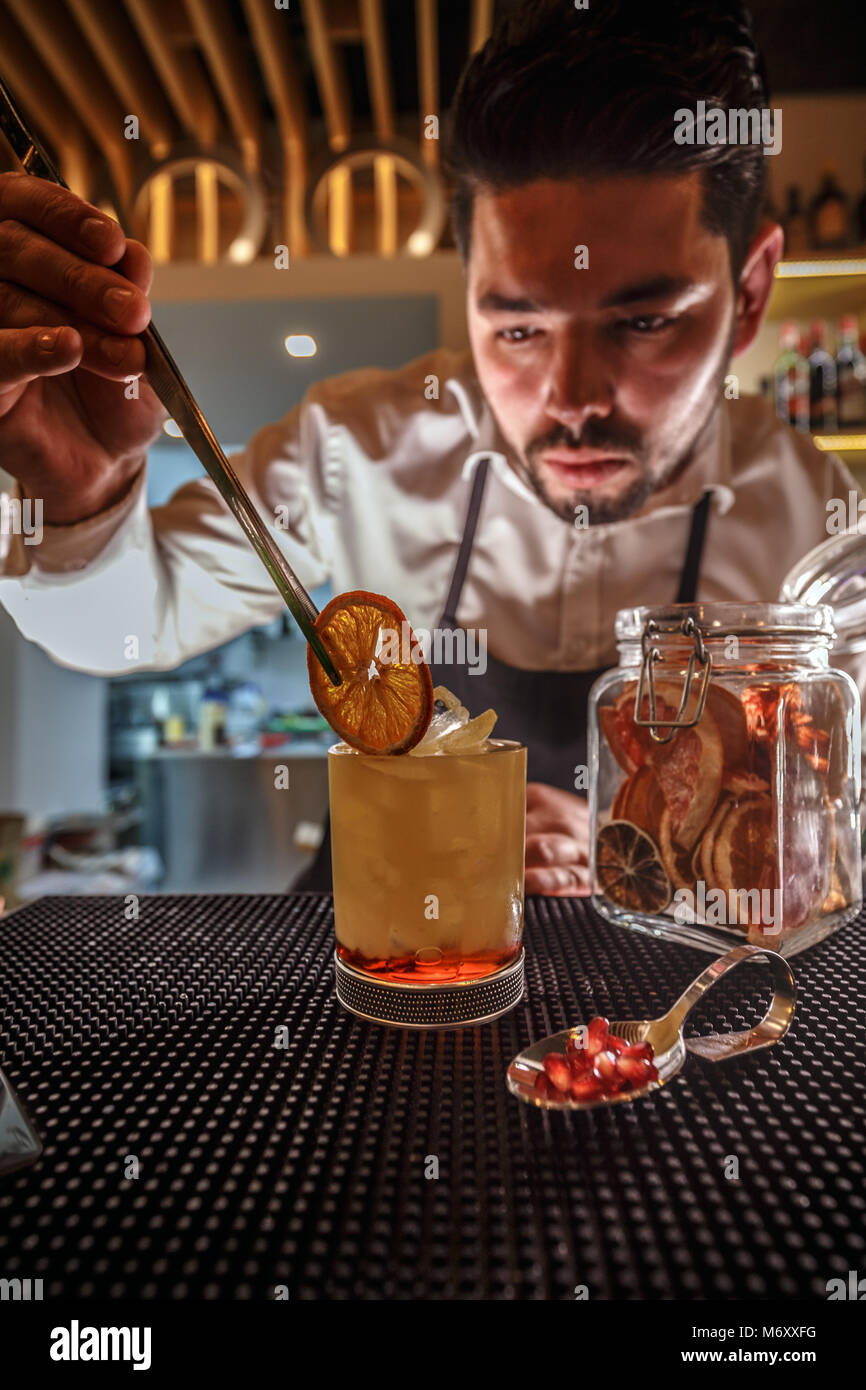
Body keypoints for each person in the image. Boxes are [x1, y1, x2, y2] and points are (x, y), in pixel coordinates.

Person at [0, 0, 859, 895]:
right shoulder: (358, 446)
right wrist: (81, 494)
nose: (570, 401)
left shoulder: (812, 523)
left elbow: (834, 846)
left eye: (643, 322)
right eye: (517, 327)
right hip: (372, 975)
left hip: (666, 1017)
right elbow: (131, 623)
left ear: (751, 293)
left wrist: (657, 857)